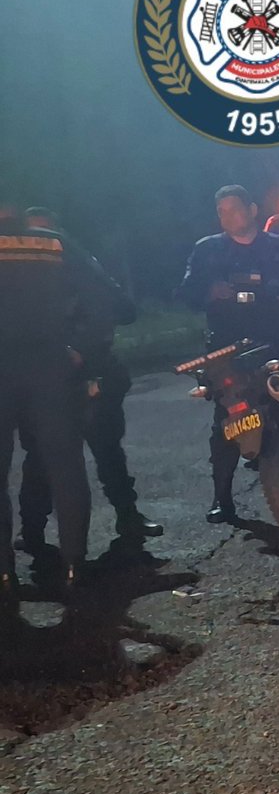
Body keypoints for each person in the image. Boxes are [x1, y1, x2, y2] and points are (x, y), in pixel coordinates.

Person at [15, 207, 163, 549]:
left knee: (108, 450)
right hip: (39, 382)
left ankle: (128, 516)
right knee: (38, 459)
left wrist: (82, 346)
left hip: (90, 373)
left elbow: (122, 309)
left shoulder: (81, 268)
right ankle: (32, 531)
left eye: (48, 237)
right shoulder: (13, 281)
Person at [175, 185, 279, 523]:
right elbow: (186, 294)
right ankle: (222, 497)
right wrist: (210, 292)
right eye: (221, 211)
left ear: (252, 210)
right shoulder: (208, 251)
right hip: (228, 347)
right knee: (227, 422)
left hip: (278, 342)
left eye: (234, 209)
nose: (228, 216)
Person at [0, 199, 107, 599]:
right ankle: (75, 566)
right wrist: (80, 348)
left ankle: (5, 575)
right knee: (65, 466)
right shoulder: (53, 243)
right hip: (51, 365)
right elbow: (102, 298)